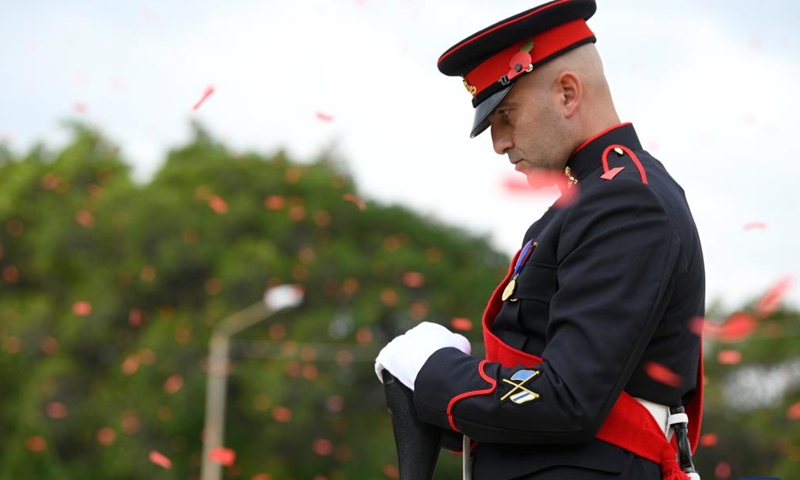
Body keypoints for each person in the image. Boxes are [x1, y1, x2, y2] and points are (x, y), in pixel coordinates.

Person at [375, 1, 706, 479]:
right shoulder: (595, 199)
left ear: (568, 94)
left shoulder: (626, 203)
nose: (499, 142)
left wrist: (435, 372)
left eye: (506, 115)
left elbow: (567, 400)